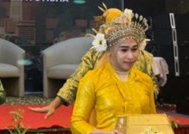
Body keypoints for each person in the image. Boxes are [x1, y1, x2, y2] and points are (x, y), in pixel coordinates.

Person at [29, 7, 164, 119]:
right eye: (115, 30)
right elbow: (76, 79)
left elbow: (152, 89)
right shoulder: (96, 54)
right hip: (102, 116)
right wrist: (54, 104)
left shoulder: (143, 57)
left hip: (135, 117)